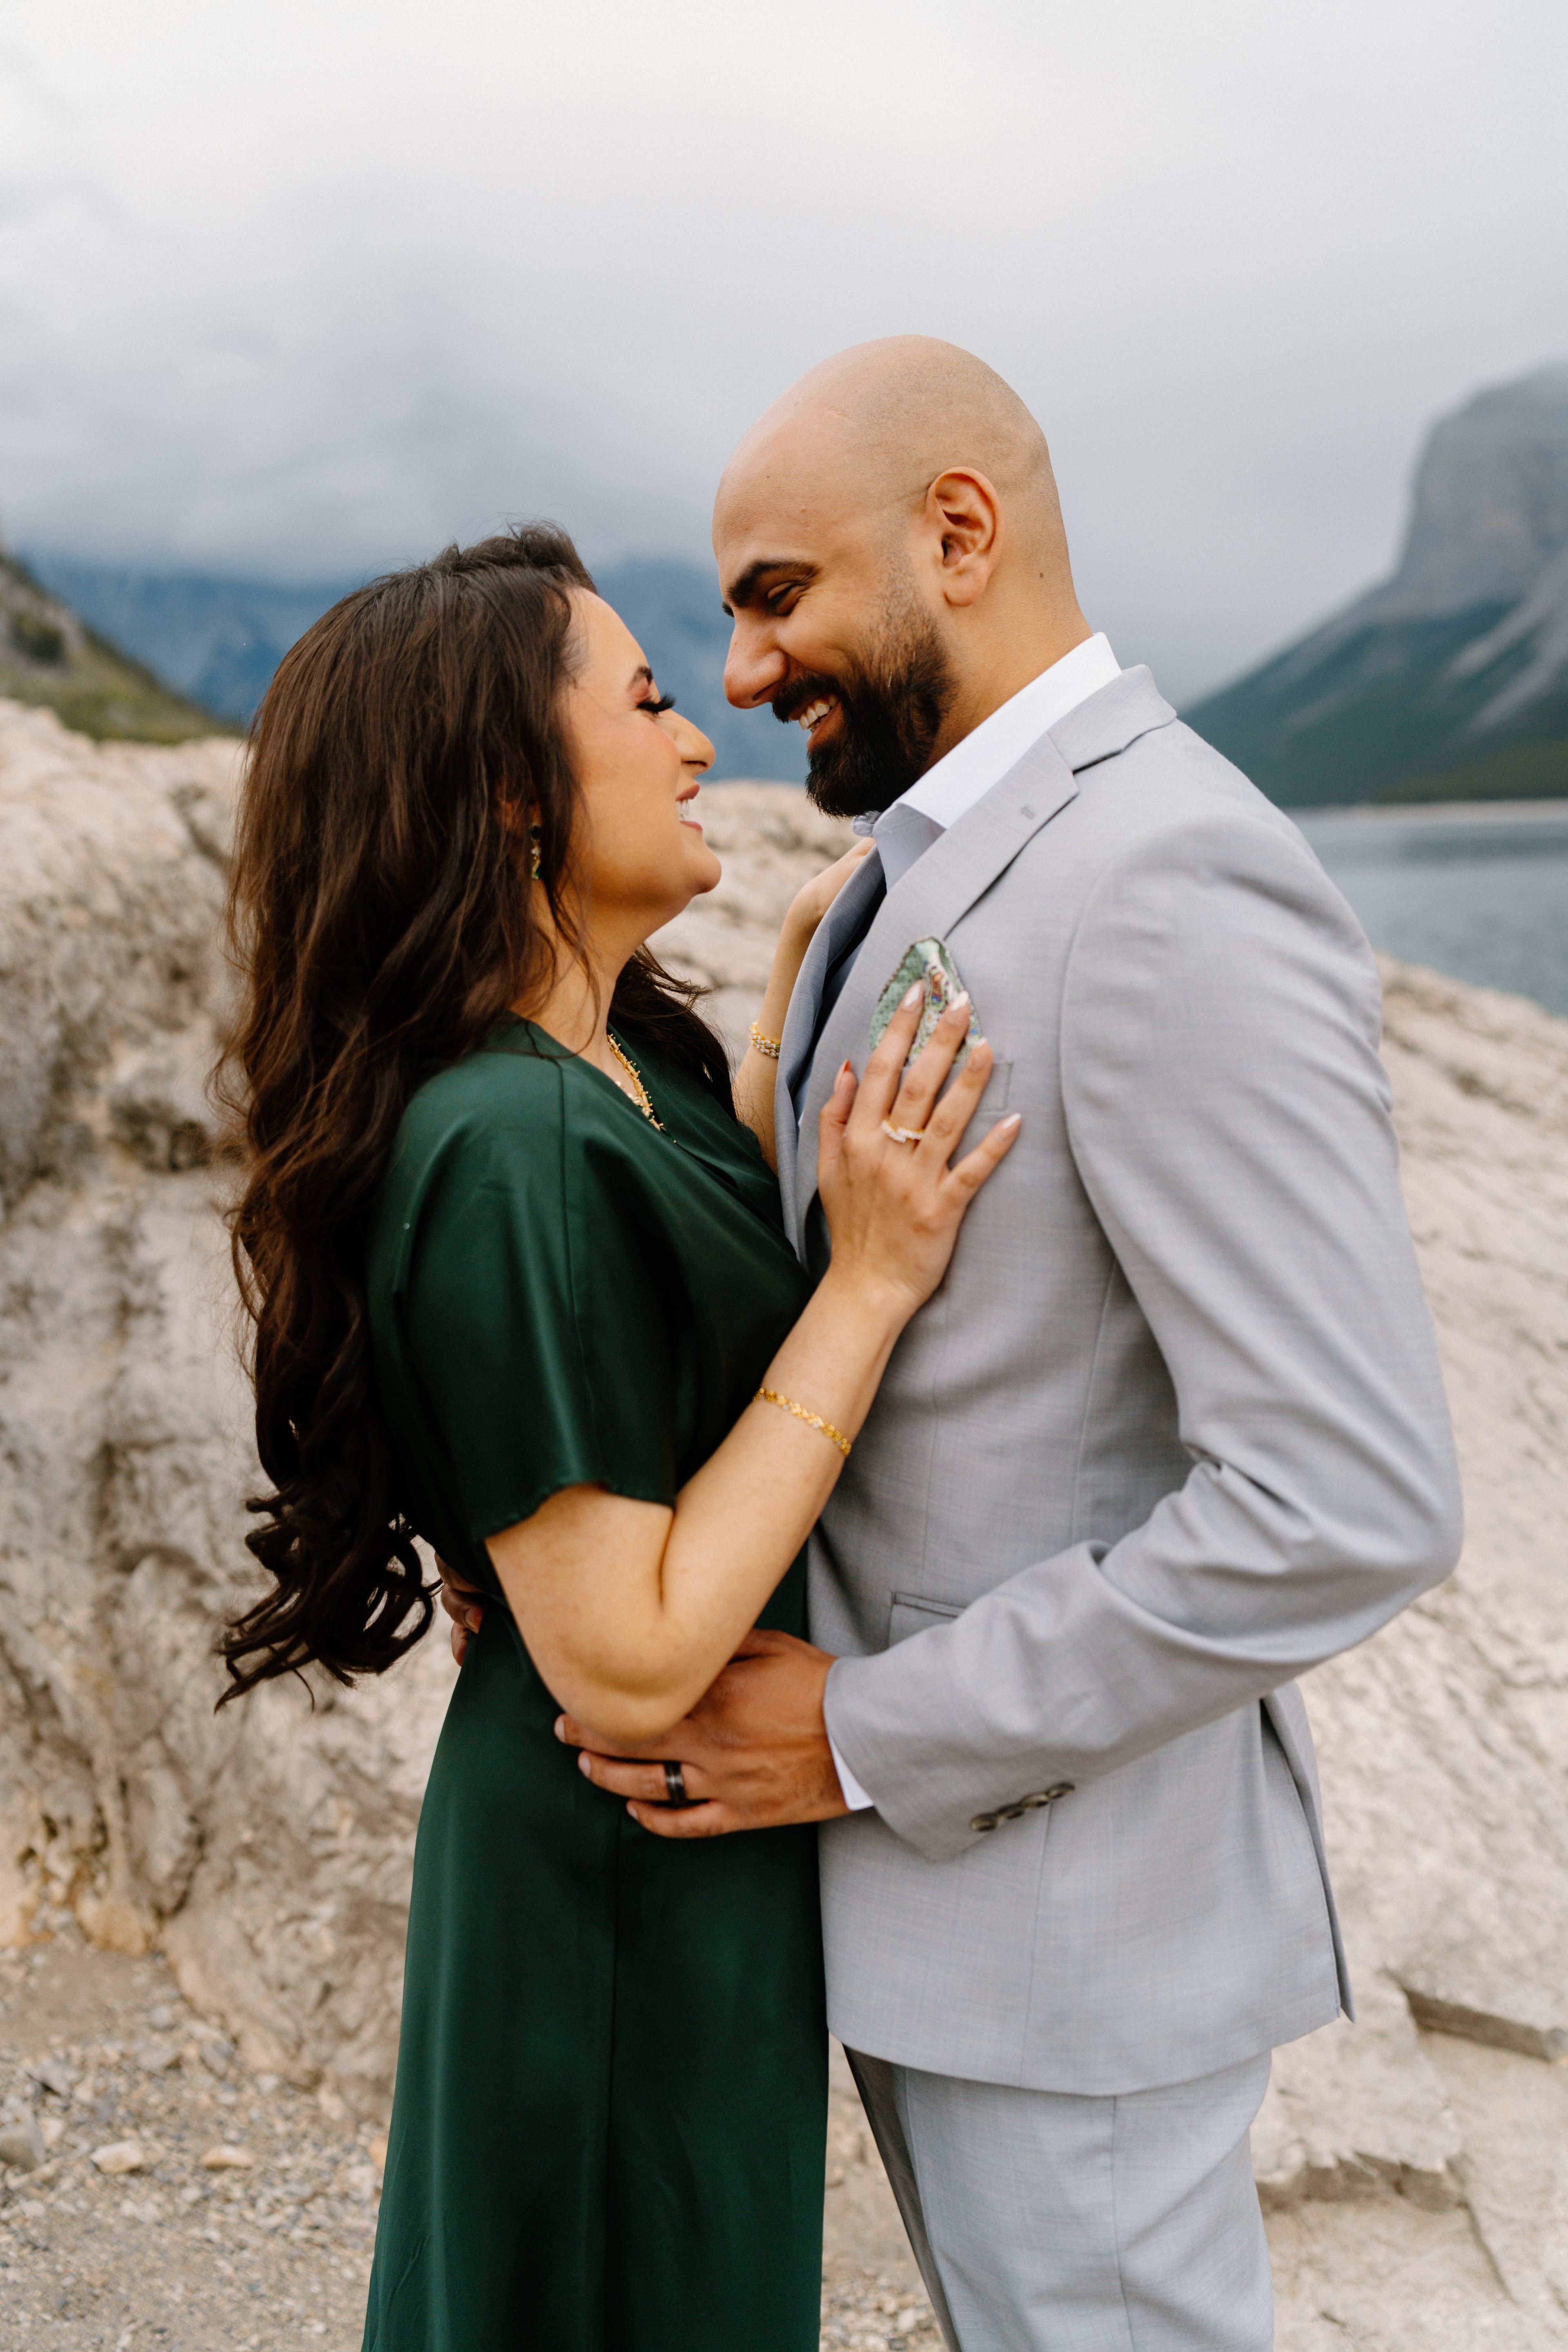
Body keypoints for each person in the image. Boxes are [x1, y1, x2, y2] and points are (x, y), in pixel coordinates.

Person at [553, 342, 1465, 2351]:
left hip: (1074, 1937)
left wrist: (867, 1738)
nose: (738, 672)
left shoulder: (1169, 879)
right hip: (948, 1925)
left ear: (956, 532)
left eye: (777, 595)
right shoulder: (915, 876)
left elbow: (1352, 1501)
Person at [215, 523, 1018, 2352]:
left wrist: (799, 1012)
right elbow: (633, 1655)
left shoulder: (611, 1066)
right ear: (508, 790)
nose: (697, 737)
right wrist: (872, 1285)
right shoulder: (504, 1146)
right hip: (613, 1854)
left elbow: (665, 1278)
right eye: (648, 699)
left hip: (676, 1860)